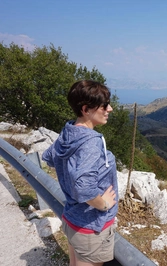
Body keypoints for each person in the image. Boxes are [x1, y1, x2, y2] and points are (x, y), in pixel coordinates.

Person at [42, 80, 118, 266]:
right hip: (90, 227)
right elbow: (83, 187)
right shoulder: (91, 141)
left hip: (72, 218)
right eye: (104, 105)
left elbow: (50, 157)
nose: (110, 109)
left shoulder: (69, 131)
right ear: (86, 109)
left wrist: (69, 171)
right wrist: (104, 204)